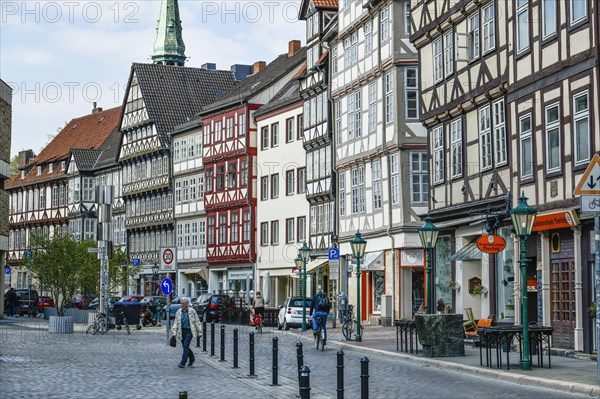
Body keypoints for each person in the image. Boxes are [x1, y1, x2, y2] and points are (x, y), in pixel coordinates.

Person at [171, 297, 202, 368]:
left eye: (183, 303)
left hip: (189, 331)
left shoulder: (192, 311)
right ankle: (192, 359)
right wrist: (174, 333)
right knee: (185, 347)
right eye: (181, 303)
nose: (182, 305)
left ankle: (183, 362)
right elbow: (176, 323)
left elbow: (197, 322)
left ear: (187, 304)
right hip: (181, 331)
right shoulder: (179, 312)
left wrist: (200, 332)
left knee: (185, 345)